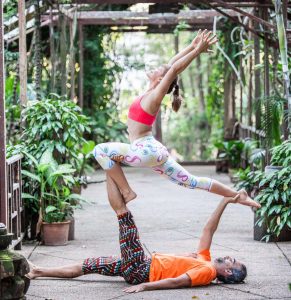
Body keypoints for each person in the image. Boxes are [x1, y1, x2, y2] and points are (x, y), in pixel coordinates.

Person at [92, 29, 260, 209]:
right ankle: (239, 196)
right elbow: (171, 65)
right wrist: (193, 46)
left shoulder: (155, 96)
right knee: (192, 181)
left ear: (162, 79)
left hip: (144, 150)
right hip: (154, 151)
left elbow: (173, 69)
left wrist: (196, 52)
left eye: (160, 70)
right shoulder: (150, 92)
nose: (157, 67)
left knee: (100, 150)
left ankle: (126, 191)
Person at [26, 177, 247, 293]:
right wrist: (226, 200)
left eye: (232, 261)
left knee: (124, 217)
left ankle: (108, 169)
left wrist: (144, 286)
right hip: (139, 265)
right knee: (89, 265)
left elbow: (176, 283)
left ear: (228, 271)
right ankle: (38, 271)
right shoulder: (205, 260)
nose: (229, 257)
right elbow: (209, 229)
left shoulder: (207, 272)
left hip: (141, 270)